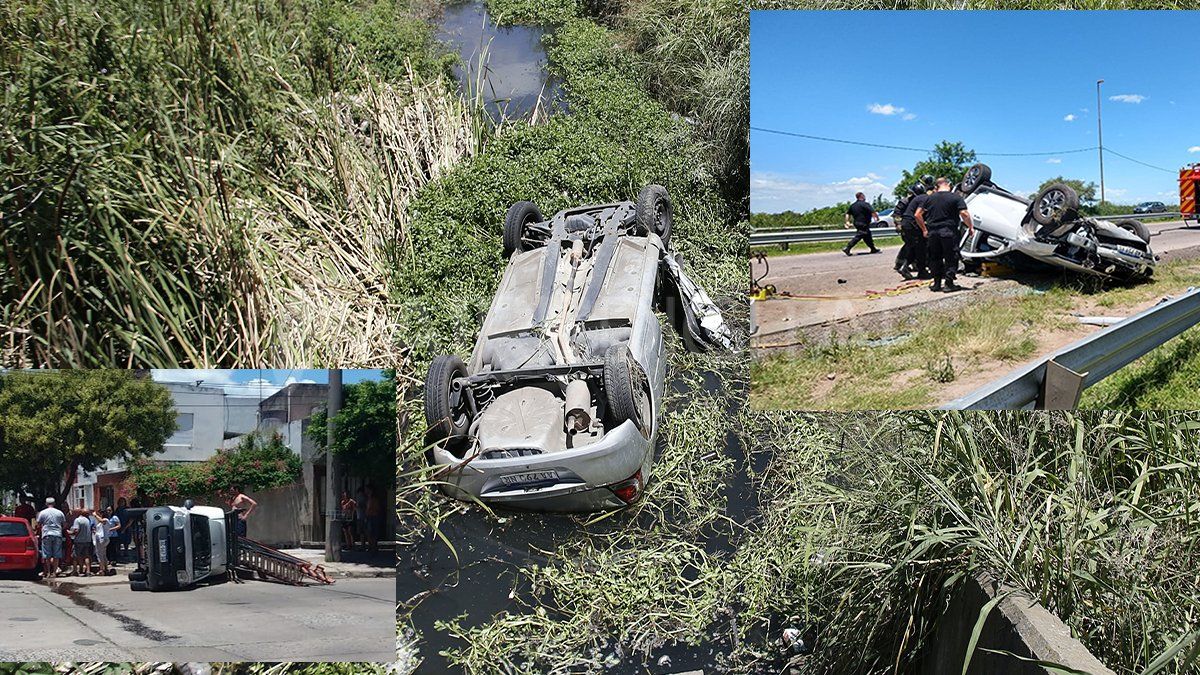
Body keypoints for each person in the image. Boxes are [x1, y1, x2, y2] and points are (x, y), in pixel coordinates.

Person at [915, 177, 974, 292]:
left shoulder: (929, 198)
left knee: (935, 258)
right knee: (951, 257)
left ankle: (936, 284)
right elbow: (964, 213)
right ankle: (949, 283)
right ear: (949, 184)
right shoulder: (956, 197)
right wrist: (970, 227)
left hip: (933, 233)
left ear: (937, 186)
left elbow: (917, 214)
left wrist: (924, 229)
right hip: (948, 232)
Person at [899, 182, 934, 279]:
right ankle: (922, 271)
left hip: (906, 225)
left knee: (914, 248)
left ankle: (904, 266)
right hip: (913, 225)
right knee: (921, 248)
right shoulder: (925, 198)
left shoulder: (916, 199)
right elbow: (917, 215)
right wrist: (924, 229)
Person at [35, 497, 66, 580]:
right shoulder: (60, 513)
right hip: (57, 534)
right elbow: (64, 525)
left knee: (47, 555)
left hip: (46, 534)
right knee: (56, 555)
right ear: (54, 503)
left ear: (46, 504)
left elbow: (38, 524)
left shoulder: (43, 513)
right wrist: (59, 529)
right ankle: (55, 572)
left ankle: (48, 572)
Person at [68, 507, 94, 577]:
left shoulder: (77, 520)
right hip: (87, 540)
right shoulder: (87, 520)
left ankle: (75, 571)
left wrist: (69, 532)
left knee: (75, 556)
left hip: (79, 541)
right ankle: (88, 571)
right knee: (86, 556)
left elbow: (76, 531)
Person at [364, 485, 383, 554]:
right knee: (369, 532)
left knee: (373, 532)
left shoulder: (374, 499)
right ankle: (371, 546)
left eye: (367, 490)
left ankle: (373, 546)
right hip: (369, 516)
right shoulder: (368, 499)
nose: (365, 491)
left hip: (373, 516)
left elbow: (376, 508)